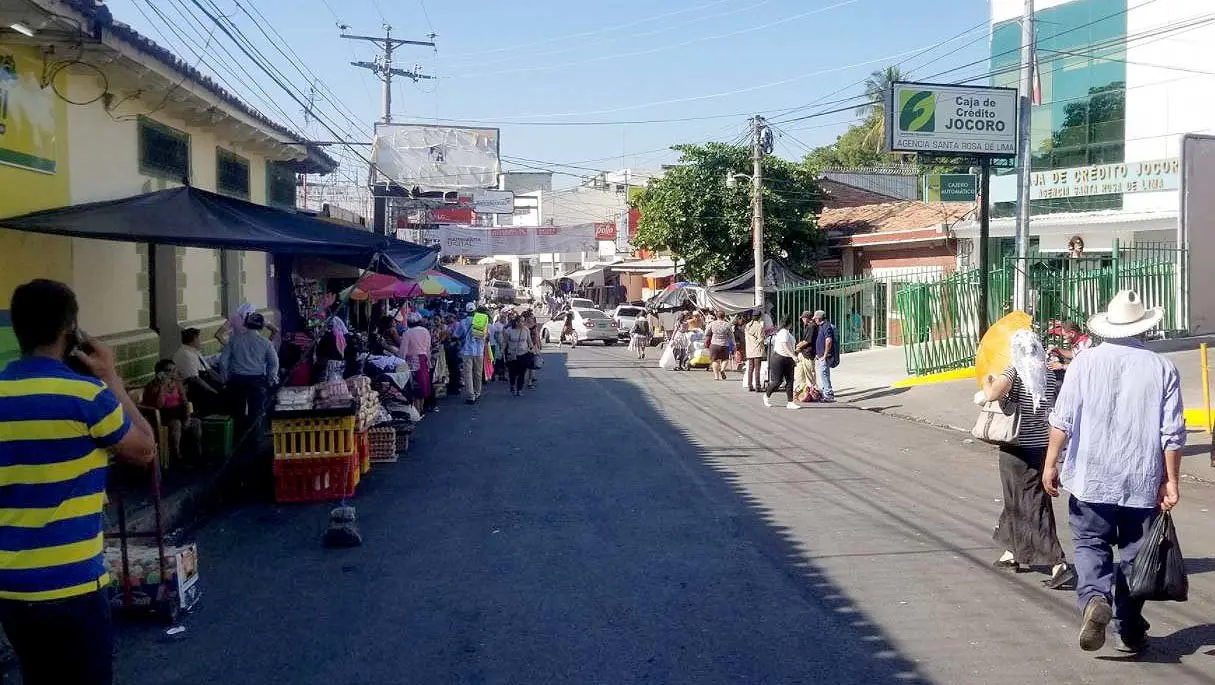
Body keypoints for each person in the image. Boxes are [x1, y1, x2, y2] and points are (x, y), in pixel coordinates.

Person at [0, 279, 157, 685]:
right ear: (72, 331)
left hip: (12, 589)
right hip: (73, 585)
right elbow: (145, 449)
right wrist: (113, 377)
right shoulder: (86, 396)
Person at [1043, 290, 1186, 654]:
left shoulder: (1084, 362)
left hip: (1090, 480)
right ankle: (1130, 628)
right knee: (1136, 558)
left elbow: (1062, 420)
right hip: (1141, 482)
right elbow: (1171, 434)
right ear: (1144, 328)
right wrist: (1171, 480)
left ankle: (1094, 600)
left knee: (1091, 544)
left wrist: (1050, 464)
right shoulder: (1162, 367)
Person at [977, 330, 1073, 590]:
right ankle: (1012, 552)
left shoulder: (1013, 371)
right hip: (1041, 447)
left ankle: (1057, 562)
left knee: (1032, 503)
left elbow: (992, 394)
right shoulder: (1048, 373)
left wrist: (987, 381)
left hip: (1015, 448)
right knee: (1017, 499)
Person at [218, 311, 279, 437]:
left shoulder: (234, 340)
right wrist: (270, 379)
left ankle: (238, 442)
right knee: (256, 413)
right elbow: (274, 363)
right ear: (262, 327)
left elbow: (223, 361)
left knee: (237, 412)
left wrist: (225, 378)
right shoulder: (265, 343)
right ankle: (254, 441)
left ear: (245, 324)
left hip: (237, 380)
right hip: (257, 381)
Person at [141, 359, 202, 463]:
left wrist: (187, 417)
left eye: (175, 370)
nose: (174, 373)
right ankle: (176, 455)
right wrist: (162, 387)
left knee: (196, 423)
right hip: (162, 415)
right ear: (160, 372)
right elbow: (159, 405)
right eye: (170, 370)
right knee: (176, 424)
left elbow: (185, 402)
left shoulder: (177, 383)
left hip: (178, 412)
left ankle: (196, 455)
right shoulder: (152, 386)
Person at [172, 327, 223, 416]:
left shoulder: (194, 351)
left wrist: (223, 382)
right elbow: (195, 379)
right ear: (194, 340)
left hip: (204, 381)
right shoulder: (185, 354)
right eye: (199, 339)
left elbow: (209, 370)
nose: (201, 341)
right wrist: (213, 391)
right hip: (194, 389)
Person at [453, 303, 489, 404]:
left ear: (466, 311)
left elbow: (456, 335)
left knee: (467, 374)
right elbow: (486, 335)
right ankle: (478, 392)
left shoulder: (463, 322)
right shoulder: (482, 320)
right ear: (475, 311)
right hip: (479, 351)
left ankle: (470, 395)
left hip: (467, 351)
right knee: (478, 372)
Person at [763, 319, 800, 410]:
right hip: (779, 358)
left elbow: (790, 346)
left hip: (788, 359)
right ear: (789, 324)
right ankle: (767, 395)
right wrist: (793, 356)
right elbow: (784, 345)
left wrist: (794, 353)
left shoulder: (787, 333)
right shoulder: (783, 332)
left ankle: (790, 402)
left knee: (790, 380)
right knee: (777, 381)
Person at [402, 313, 433, 414]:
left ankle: (416, 410)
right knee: (423, 383)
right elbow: (428, 348)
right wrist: (429, 361)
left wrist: (401, 361)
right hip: (423, 359)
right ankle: (421, 408)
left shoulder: (407, 332)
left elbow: (403, 350)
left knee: (413, 384)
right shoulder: (426, 331)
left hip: (411, 360)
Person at [503, 312, 535, 397]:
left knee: (522, 372)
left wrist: (533, 350)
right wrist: (502, 351)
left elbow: (529, 341)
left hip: (523, 354)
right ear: (516, 322)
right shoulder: (509, 330)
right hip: (512, 354)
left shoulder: (526, 330)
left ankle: (519, 390)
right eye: (521, 321)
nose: (523, 323)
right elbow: (505, 342)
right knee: (512, 372)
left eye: (523, 321)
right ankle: (512, 384)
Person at [812, 310, 838, 402]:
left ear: (819, 318)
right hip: (821, 355)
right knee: (823, 374)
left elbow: (828, 341)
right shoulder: (821, 326)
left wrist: (825, 354)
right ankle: (826, 392)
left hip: (825, 356)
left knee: (824, 373)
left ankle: (828, 394)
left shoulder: (826, 326)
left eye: (815, 318)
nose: (814, 320)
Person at [705, 312, 733, 380]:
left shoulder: (712, 323)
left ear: (717, 316)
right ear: (724, 316)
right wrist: (733, 344)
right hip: (724, 344)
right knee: (725, 359)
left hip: (714, 344)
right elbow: (731, 336)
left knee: (715, 360)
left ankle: (716, 377)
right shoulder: (727, 325)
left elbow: (706, 332)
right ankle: (722, 369)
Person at [744, 310, 767, 392]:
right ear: (759, 317)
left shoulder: (747, 325)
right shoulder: (759, 327)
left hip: (749, 349)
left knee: (750, 368)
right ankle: (757, 386)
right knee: (757, 368)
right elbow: (760, 339)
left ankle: (750, 385)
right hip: (757, 349)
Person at [523, 310, 542, 389]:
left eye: (532, 317)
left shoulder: (534, 326)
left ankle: (530, 381)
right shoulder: (523, 326)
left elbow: (537, 336)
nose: (532, 318)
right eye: (531, 317)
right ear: (527, 318)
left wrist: (538, 345)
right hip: (524, 346)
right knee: (524, 364)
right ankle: (522, 378)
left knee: (532, 365)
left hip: (532, 346)